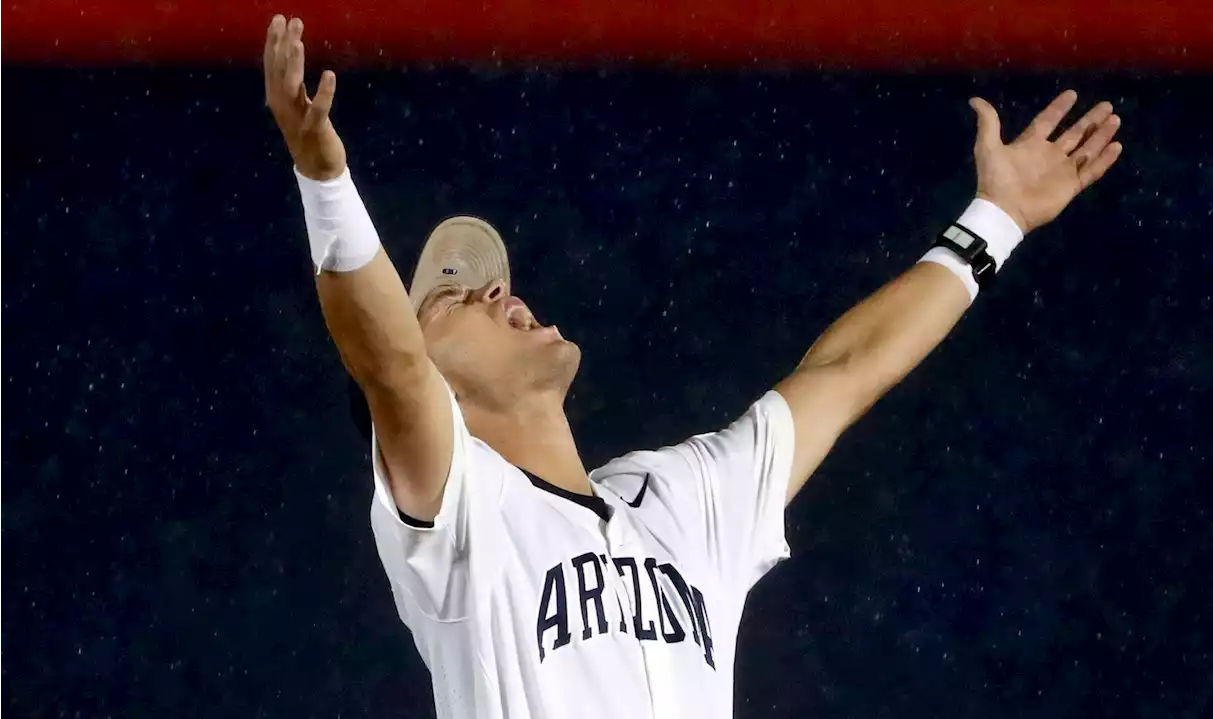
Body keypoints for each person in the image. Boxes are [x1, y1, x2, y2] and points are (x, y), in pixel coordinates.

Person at [262, 14, 1122, 719]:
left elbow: (845, 371)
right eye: (453, 301)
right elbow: (387, 361)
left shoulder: (677, 501)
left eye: (490, 283)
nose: (495, 291)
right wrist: (325, 181)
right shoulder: (461, 523)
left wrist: (996, 220)